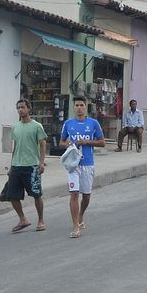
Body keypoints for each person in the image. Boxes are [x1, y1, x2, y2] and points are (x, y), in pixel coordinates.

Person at [60, 95, 105, 239]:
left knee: (86, 196)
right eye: (76, 105)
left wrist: (86, 143)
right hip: (73, 165)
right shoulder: (68, 123)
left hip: (88, 164)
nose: (79, 108)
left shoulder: (93, 123)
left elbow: (102, 142)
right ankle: (75, 226)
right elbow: (61, 142)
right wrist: (70, 145)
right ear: (73, 107)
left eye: (81, 105)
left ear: (86, 107)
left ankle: (81, 215)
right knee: (74, 194)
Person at [0, 99, 46, 233]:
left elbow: (43, 144)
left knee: (36, 194)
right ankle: (23, 219)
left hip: (32, 166)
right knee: (12, 195)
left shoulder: (37, 126)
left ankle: (41, 220)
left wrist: (41, 162)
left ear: (29, 109)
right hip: (17, 166)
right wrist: (11, 165)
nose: (20, 110)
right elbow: (16, 147)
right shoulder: (15, 127)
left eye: (23, 107)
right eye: (18, 108)